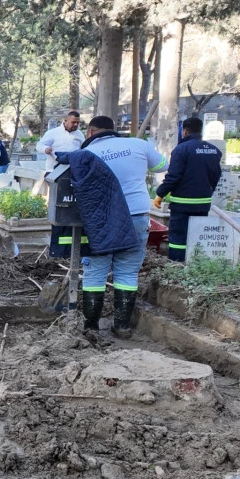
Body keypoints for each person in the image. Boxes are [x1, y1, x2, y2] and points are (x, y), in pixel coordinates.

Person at [77, 115, 167, 338]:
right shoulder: (138, 144)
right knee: (127, 271)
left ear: (90, 132)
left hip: (102, 220)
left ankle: (91, 327)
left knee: (95, 272)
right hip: (136, 216)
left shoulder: (86, 153)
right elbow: (163, 166)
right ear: (114, 128)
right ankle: (123, 327)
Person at [153, 118, 222, 262]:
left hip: (182, 203)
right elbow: (216, 175)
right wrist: (208, 191)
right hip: (203, 203)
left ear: (184, 131)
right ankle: (195, 262)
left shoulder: (181, 149)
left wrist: (160, 194)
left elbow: (173, 176)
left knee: (178, 237)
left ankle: (177, 264)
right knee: (197, 234)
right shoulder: (213, 150)